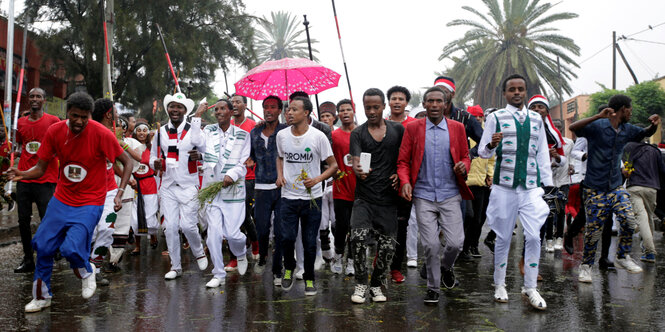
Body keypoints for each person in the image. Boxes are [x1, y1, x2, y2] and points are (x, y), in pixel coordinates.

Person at [8, 92, 133, 312]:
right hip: (62, 198)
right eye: (75, 116)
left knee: (71, 248)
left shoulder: (102, 134)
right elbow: (40, 168)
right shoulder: (55, 131)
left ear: (90, 115)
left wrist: (120, 192)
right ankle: (41, 296)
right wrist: (22, 173)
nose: (79, 121)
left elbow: (127, 162)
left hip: (90, 201)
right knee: (43, 245)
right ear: (67, 113)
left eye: (84, 117)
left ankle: (87, 271)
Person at [478, 74, 552, 310]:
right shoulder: (495, 117)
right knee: (502, 236)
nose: (517, 93)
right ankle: (499, 284)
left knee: (533, 236)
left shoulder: (536, 119)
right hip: (504, 187)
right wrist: (491, 144)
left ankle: (530, 287)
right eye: (512, 89)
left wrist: (547, 183)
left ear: (525, 91)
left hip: (530, 187)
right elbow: (482, 152)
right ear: (505, 93)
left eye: (521, 89)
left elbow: (541, 152)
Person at [570, 94, 660, 283]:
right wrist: (597, 116)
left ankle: (622, 256)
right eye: (630, 109)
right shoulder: (598, 127)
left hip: (615, 186)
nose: (631, 113)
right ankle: (586, 266)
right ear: (622, 109)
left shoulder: (627, 129)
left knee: (629, 220)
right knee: (593, 231)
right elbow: (573, 127)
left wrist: (653, 125)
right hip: (594, 188)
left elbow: (645, 133)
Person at [397, 86, 472, 304]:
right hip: (423, 194)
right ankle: (433, 288)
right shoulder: (413, 128)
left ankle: (446, 268)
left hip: (450, 194)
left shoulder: (457, 128)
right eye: (430, 101)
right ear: (424, 104)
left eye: (439, 101)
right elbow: (402, 161)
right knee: (430, 245)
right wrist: (404, 182)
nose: (434, 105)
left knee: (456, 243)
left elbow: (466, 156)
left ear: (446, 104)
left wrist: (463, 166)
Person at [276, 96, 337, 296]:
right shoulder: (282, 135)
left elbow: (334, 165)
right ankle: (290, 267)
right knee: (286, 238)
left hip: (313, 198)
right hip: (288, 197)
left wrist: (317, 179)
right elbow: (280, 157)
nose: (289, 113)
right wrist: (280, 175)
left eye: (294, 109)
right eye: (288, 110)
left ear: (306, 113)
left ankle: (310, 278)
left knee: (310, 242)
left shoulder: (318, 137)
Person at [348, 88, 403, 304]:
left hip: (389, 199)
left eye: (375, 107)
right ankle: (361, 283)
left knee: (388, 247)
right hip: (364, 198)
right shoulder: (358, 133)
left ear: (383, 107)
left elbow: (405, 158)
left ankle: (377, 284)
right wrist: (358, 170)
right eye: (367, 107)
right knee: (359, 240)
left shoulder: (397, 130)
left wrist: (401, 174)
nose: (371, 111)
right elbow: (355, 159)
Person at [150, 92, 208, 280]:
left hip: (188, 184)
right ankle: (176, 267)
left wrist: (199, 156)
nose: (175, 110)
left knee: (188, 226)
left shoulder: (194, 130)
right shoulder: (160, 132)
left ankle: (199, 251)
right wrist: (155, 163)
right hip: (167, 185)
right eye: (172, 106)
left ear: (185, 111)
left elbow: (204, 150)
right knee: (170, 227)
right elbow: (152, 158)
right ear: (168, 109)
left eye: (179, 107)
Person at [200, 98, 251, 287]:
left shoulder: (243, 135)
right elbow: (196, 142)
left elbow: (243, 163)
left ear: (231, 112)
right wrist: (198, 115)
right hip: (212, 189)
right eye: (217, 109)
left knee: (232, 234)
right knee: (213, 234)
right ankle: (218, 274)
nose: (219, 112)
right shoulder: (207, 131)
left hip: (233, 191)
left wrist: (231, 174)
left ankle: (241, 252)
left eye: (223, 108)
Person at [14, 87, 60, 273]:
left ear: (44, 100)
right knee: (23, 220)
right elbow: (19, 145)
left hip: (46, 178)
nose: (34, 99)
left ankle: (49, 252)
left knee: (47, 219)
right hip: (24, 177)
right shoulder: (21, 123)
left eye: (38, 96)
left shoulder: (53, 121)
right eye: (31, 96)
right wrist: (15, 152)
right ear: (28, 99)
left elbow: (62, 143)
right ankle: (27, 259)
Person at [251, 96, 288, 285]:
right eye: (265, 107)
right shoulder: (255, 131)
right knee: (262, 229)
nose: (268, 110)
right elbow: (250, 156)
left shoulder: (286, 131)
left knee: (281, 232)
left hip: (282, 187)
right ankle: (263, 257)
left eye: (273, 107)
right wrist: (248, 162)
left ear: (280, 110)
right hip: (261, 188)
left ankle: (277, 270)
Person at [385, 85, 416, 283]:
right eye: (393, 98)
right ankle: (381, 259)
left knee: (402, 226)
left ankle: (396, 266)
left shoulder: (415, 125)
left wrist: (404, 176)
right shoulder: (380, 123)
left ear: (406, 103)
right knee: (382, 225)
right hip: (383, 182)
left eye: (401, 99)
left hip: (407, 183)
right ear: (388, 101)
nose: (397, 101)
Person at [225, 94, 259, 271]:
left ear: (245, 106)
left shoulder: (253, 126)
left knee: (244, 215)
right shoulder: (225, 126)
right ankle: (234, 258)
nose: (234, 104)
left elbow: (259, 149)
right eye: (232, 102)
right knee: (231, 219)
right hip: (228, 179)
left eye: (238, 102)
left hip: (249, 178)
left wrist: (253, 158)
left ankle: (254, 242)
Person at [460, 105, 494, 260]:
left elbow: (491, 157)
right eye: (474, 116)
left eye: (480, 116)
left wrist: (490, 175)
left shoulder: (486, 135)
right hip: (465, 182)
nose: (478, 119)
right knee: (468, 217)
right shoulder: (464, 133)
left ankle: (472, 245)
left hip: (481, 183)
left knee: (478, 219)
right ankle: (462, 247)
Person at [623, 140, 665, 263]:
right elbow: (662, 170)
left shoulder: (628, 147)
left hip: (635, 187)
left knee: (642, 217)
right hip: (652, 188)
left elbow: (626, 168)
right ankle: (648, 253)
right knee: (649, 217)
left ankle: (650, 251)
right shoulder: (654, 150)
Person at [330, 99, 357, 276]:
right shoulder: (334, 135)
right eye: (342, 110)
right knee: (342, 225)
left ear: (354, 111)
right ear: (337, 114)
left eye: (348, 109)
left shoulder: (363, 132)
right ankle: (338, 254)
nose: (345, 112)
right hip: (340, 186)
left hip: (361, 187)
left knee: (356, 227)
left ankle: (352, 260)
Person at [130, 120, 160, 254]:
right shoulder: (130, 145)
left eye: (144, 130)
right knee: (136, 218)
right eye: (139, 130)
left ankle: (153, 235)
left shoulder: (152, 146)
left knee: (149, 217)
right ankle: (138, 246)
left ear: (148, 132)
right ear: (135, 132)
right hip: (135, 185)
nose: (141, 133)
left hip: (150, 185)